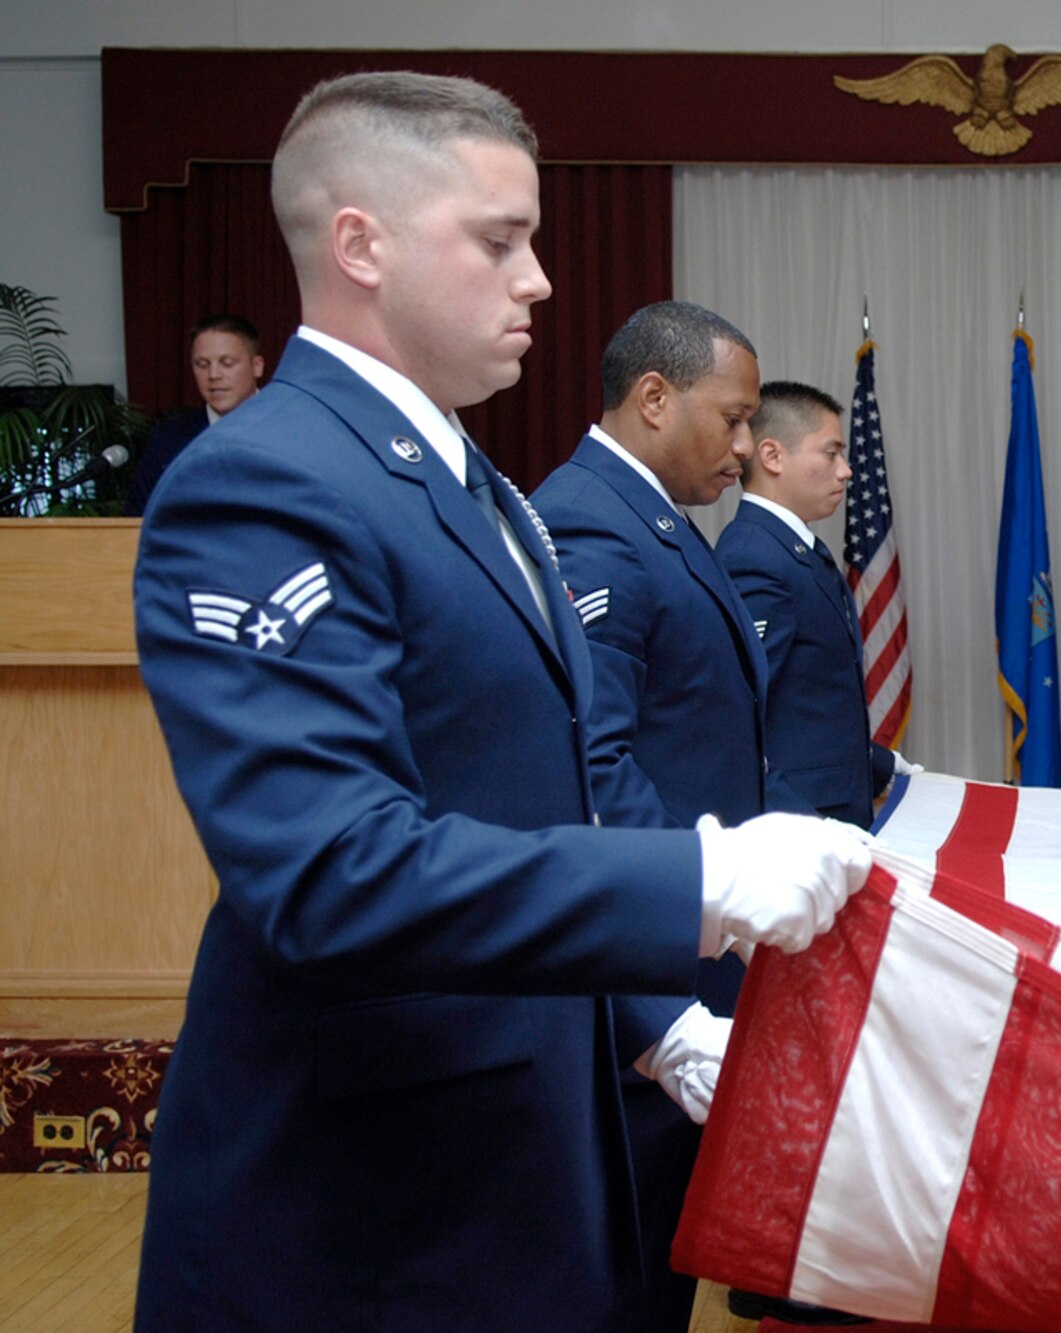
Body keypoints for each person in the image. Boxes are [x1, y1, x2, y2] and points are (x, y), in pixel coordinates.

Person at [130, 72, 870, 1331]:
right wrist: (692, 884)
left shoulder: (474, 483)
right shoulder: (261, 481)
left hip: (528, 1141)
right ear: (360, 244)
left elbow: (548, 789)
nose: (536, 279)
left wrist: (650, 1019)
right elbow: (329, 868)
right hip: (376, 1206)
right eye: (500, 240)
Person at [530, 301, 814, 1329]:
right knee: (627, 1277)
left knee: (664, 1260)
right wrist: (707, 895)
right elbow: (591, 763)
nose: (746, 446)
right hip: (643, 968)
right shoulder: (591, 524)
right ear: (654, 398)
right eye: (732, 418)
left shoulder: (654, 519)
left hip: (690, 943)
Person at [717, 380, 916, 829]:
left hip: (833, 810)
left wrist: (883, 769)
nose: (845, 470)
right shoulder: (755, 556)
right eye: (830, 453)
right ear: (772, 457)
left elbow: (811, 701)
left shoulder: (792, 547)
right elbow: (738, 718)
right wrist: (808, 827)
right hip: (802, 824)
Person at [123, 313, 264, 515]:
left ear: (257, 366)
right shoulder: (168, 440)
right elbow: (135, 522)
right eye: (202, 364)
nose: (214, 375)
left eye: (227, 363)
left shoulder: (291, 432)